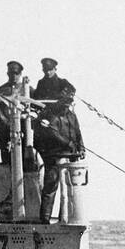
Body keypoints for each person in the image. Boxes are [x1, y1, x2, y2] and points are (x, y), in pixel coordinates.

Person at [32, 85, 84, 222]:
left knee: (68, 190)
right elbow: (52, 132)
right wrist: (68, 143)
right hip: (55, 156)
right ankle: (45, 219)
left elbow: (78, 132)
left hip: (71, 156)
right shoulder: (50, 114)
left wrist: (81, 148)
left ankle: (65, 218)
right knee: (50, 188)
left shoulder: (72, 116)